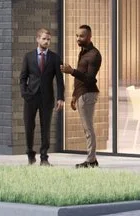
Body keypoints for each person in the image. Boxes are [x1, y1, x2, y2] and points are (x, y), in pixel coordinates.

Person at [19, 27, 63, 166]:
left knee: (46, 127)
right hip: (31, 97)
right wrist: (24, 93)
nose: (46, 41)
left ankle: (44, 157)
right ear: (37, 39)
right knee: (29, 126)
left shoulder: (55, 58)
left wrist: (60, 98)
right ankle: (30, 154)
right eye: (44, 39)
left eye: (48, 39)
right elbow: (23, 78)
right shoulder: (28, 56)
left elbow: (60, 80)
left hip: (47, 98)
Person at [67, 24, 105, 168]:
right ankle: (91, 159)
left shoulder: (94, 55)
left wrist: (72, 71)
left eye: (81, 36)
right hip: (82, 94)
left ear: (89, 37)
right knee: (86, 128)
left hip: (88, 94)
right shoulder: (83, 52)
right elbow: (80, 80)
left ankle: (91, 160)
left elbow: (89, 79)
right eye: (76, 36)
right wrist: (74, 95)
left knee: (88, 128)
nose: (78, 38)